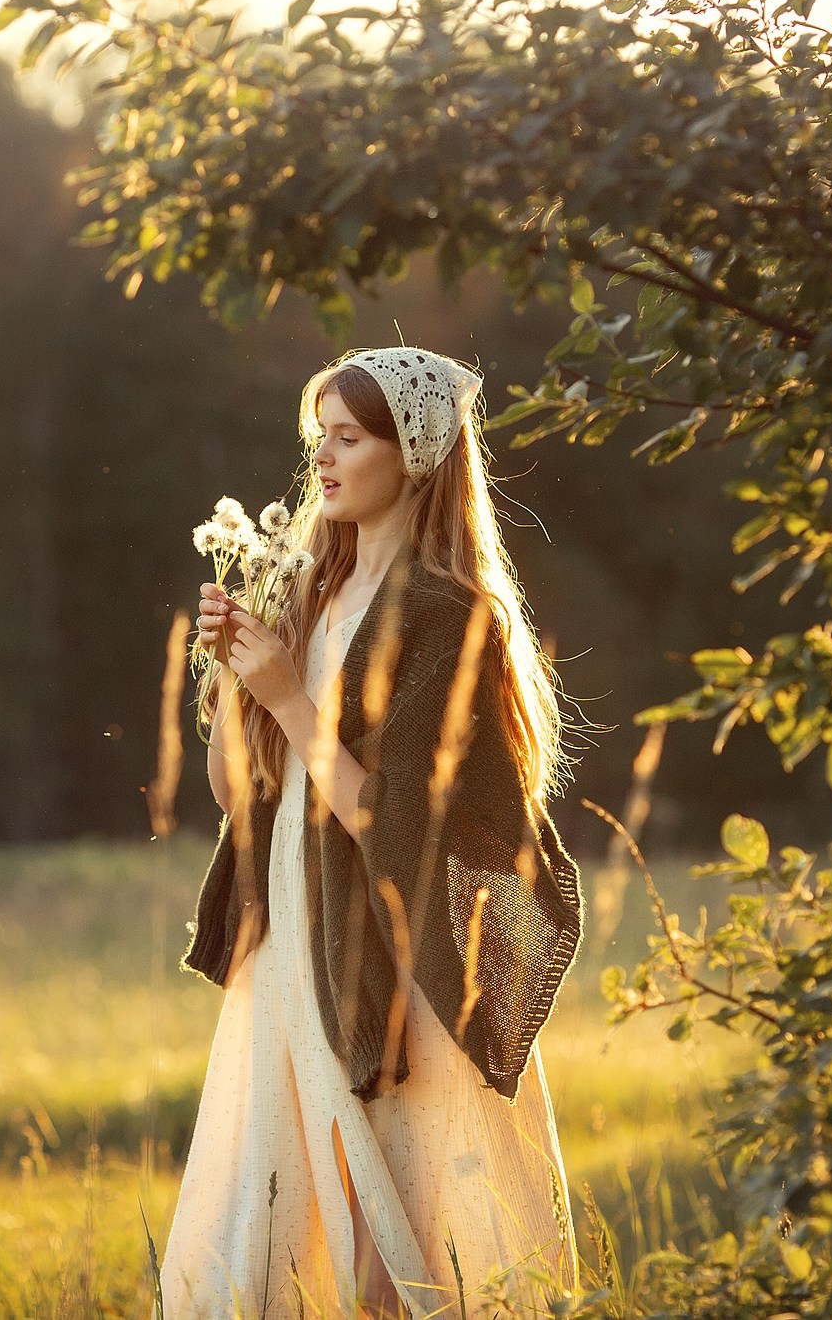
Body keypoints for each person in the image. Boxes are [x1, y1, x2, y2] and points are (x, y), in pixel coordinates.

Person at [157, 346, 586, 1319]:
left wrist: (282, 692)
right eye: (320, 437)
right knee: (294, 1223)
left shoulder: (445, 612)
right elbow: (245, 795)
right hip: (292, 942)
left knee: (398, 1243)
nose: (322, 457)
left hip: (391, 948)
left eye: (347, 438)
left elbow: (390, 823)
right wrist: (236, 676)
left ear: (414, 456)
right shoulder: (307, 590)